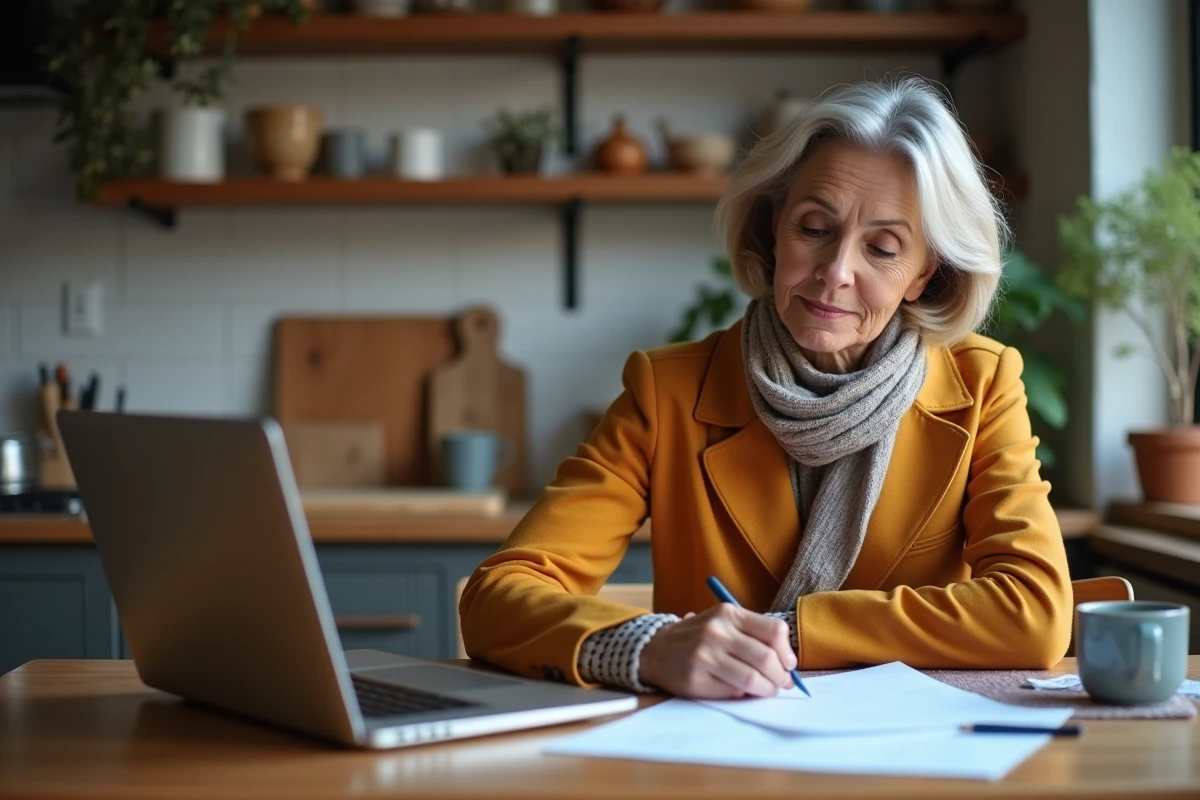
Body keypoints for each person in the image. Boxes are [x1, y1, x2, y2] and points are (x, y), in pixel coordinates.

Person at [459, 77, 1072, 700]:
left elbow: (1034, 612)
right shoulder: (666, 390)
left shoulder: (982, 384)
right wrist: (646, 644)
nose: (836, 272)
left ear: (923, 274)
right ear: (774, 226)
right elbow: (499, 597)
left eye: (883, 248)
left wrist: (794, 633)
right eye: (813, 229)